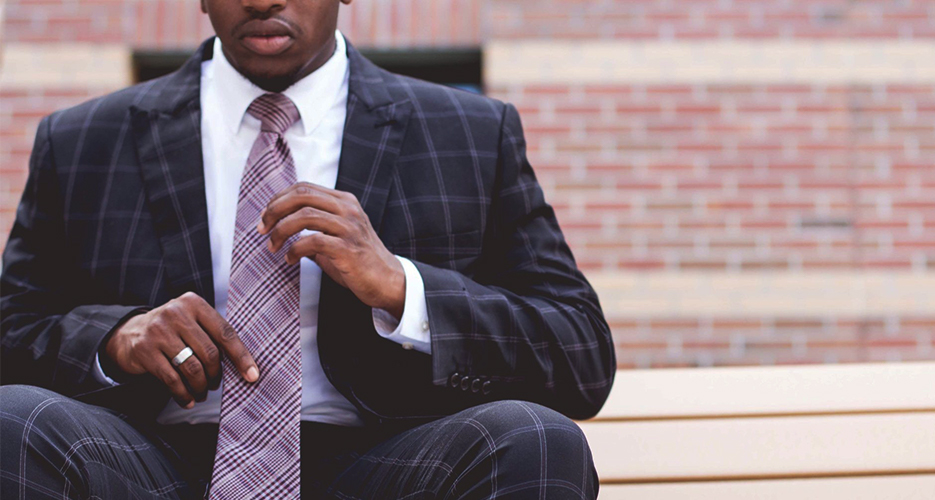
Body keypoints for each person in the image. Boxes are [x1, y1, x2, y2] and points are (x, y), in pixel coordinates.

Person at [0, 0, 615, 498]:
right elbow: (11, 331)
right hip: (151, 462)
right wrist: (116, 340)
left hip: (385, 462)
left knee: (535, 438)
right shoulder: (83, 140)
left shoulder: (471, 132)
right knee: (15, 420)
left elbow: (580, 354)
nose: (262, 0)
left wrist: (404, 290)